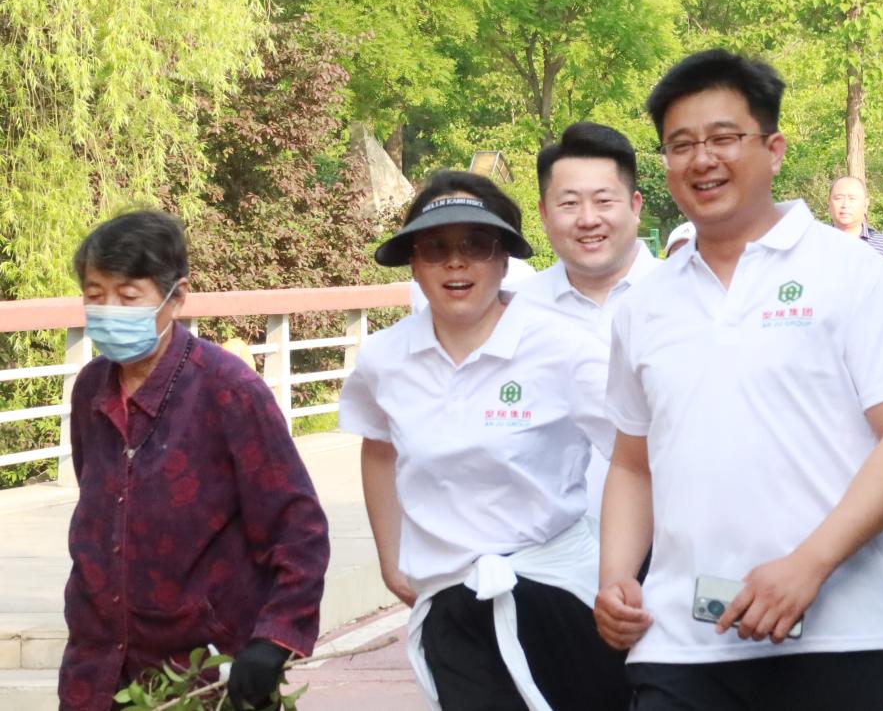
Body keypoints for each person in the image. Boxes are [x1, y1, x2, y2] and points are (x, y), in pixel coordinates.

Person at [595, 49, 883, 711]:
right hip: (680, 640)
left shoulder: (849, 272)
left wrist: (809, 565)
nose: (702, 159)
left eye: (724, 137)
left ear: (773, 149)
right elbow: (632, 464)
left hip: (836, 632)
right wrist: (614, 576)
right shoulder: (644, 304)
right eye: (681, 145)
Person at [339, 171, 628, 711]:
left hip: (559, 593)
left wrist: (625, 569)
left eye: (476, 245)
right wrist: (391, 560)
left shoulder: (564, 347)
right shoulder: (384, 358)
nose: (456, 263)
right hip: (452, 603)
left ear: (504, 259)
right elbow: (378, 446)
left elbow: (635, 459)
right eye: (435, 248)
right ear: (413, 264)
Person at [61, 211, 329, 711]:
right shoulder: (91, 389)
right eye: (95, 295)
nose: (109, 311)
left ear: (177, 296)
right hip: (96, 670)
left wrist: (274, 639)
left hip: (205, 674)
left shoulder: (230, 390)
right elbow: (97, 500)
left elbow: (298, 529)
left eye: (128, 297)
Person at [516, 122, 659, 515]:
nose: (588, 219)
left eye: (604, 201)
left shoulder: (687, 300)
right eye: (569, 204)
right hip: (544, 542)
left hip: (667, 537)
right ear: (544, 213)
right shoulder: (512, 313)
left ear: (635, 206)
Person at [827, 175, 883, 274]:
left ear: (865, 204)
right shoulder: (814, 243)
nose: (845, 205)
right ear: (829, 202)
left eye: (852, 198)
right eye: (839, 198)